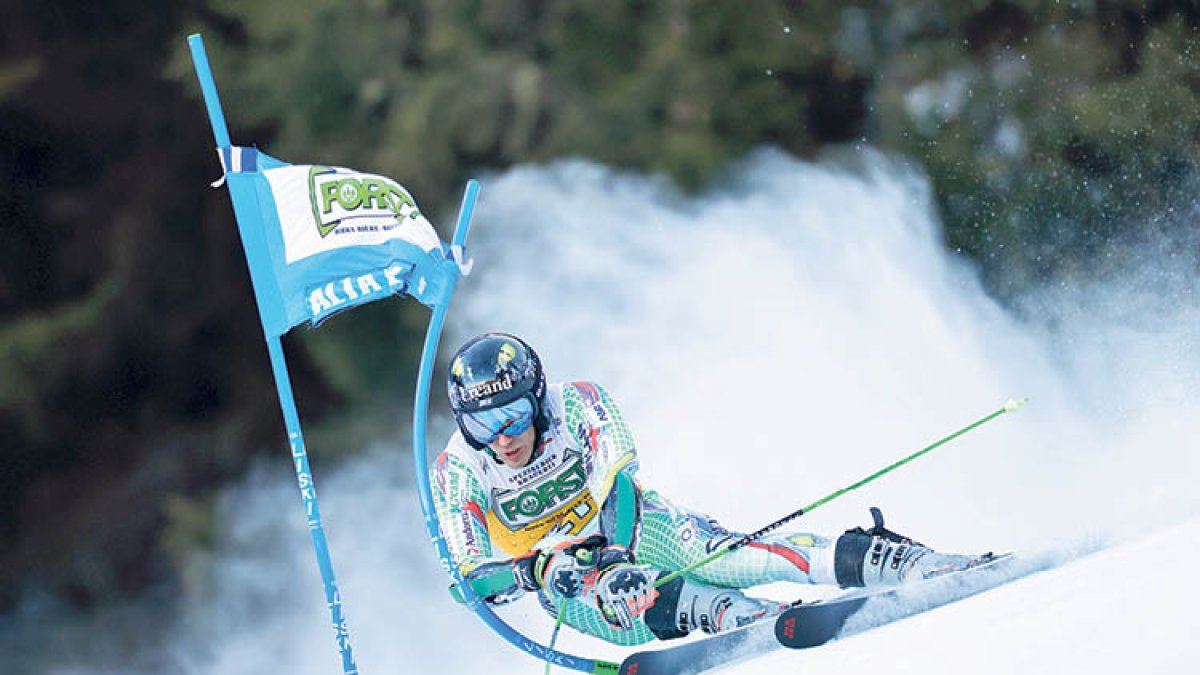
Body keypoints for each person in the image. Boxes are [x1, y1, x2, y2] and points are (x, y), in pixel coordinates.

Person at [432, 333, 986, 646]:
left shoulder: (577, 401)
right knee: (590, 603)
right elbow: (468, 580)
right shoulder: (459, 468)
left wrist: (619, 555)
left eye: (513, 415)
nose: (502, 438)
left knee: (730, 559)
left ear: (536, 397)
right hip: (569, 575)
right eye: (482, 425)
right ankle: (732, 617)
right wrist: (537, 569)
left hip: (632, 529)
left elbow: (620, 484)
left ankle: (896, 561)